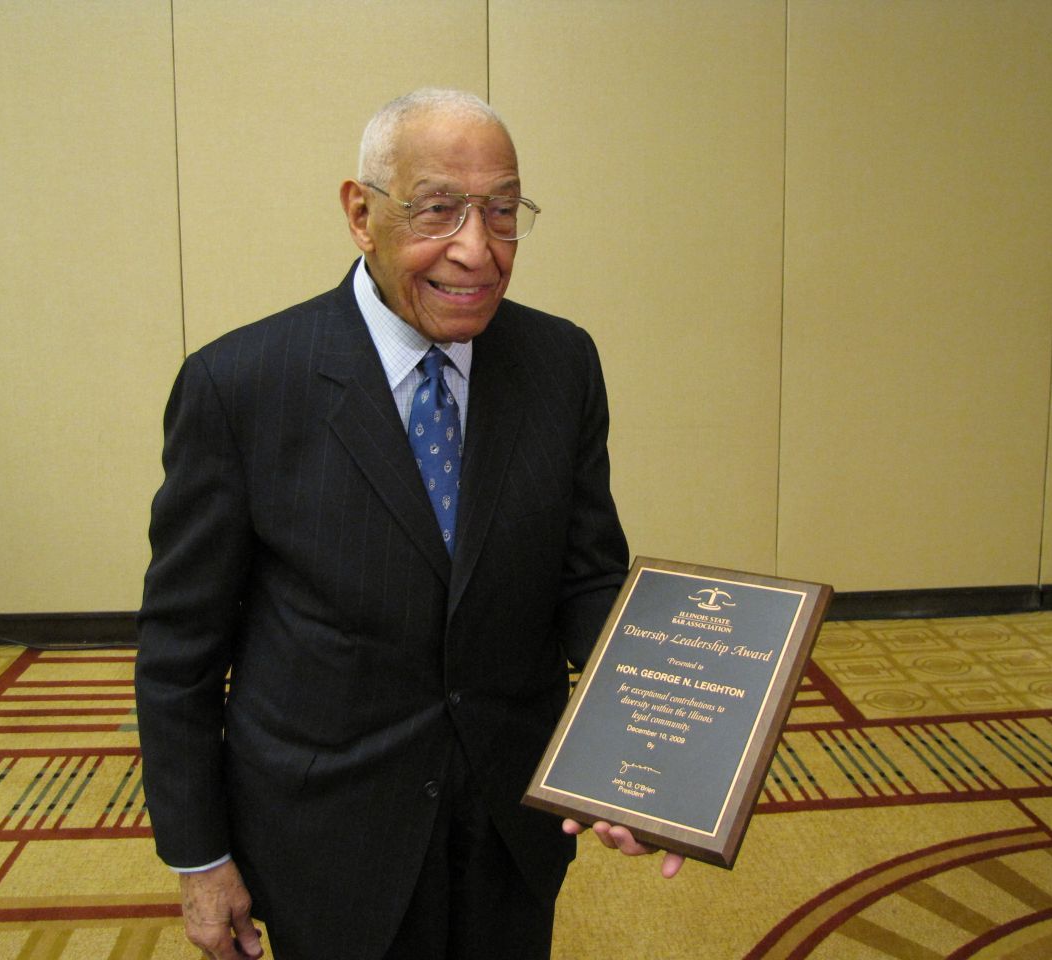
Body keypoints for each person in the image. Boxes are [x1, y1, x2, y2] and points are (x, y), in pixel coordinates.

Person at [135, 88, 682, 960]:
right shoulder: (240, 385)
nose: (477, 249)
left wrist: (644, 747)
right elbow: (180, 653)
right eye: (439, 209)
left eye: (503, 213)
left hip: (512, 813)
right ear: (361, 213)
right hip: (329, 832)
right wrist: (199, 860)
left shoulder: (560, 363)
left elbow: (585, 577)